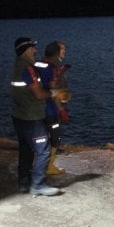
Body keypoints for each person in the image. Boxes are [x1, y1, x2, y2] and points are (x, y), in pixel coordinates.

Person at [10, 37, 61, 196]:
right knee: (43, 149)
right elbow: (39, 94)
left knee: (26, 150)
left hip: (18, 115)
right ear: (25, 50)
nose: (35, 51)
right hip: (31, 117)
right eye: (32, 48)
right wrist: (53, 93)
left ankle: (24, 183)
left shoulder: (16, 67)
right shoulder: (28, 69)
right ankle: (38, 184)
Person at [34, 41, 71, 175]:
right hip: (50, 108)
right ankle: (49, 166)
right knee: (54, 136)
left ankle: (38, 162)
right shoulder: (52, 67)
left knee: (41, 136)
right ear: (55, 52)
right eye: (62, 49)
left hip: (38, 108)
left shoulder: (37, 64)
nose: (64, 52)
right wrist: (61, 109)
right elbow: (53, 89)